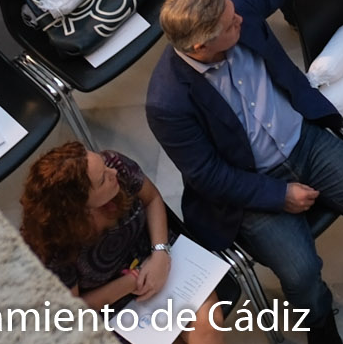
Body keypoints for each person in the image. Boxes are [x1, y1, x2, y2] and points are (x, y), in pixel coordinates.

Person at [148, 0, 343, 338]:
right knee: (300, 272)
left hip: (303, 140)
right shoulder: (167, 102)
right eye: (232, 26)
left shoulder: (233, 7)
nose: (242, 20)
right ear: (201, 46)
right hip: (249, 183)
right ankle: (318, 320)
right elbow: (208, 175)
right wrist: (277, 195)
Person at [18, 144, 231, 342]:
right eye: (102, 179)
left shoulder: (115, 166)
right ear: (80, 208)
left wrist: (160, 253)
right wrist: (130, 283)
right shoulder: (52, 246)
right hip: (111, 302)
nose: (113, 172)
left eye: (103, 165)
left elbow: (152, 199)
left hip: (157, 257)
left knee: (208, 328)